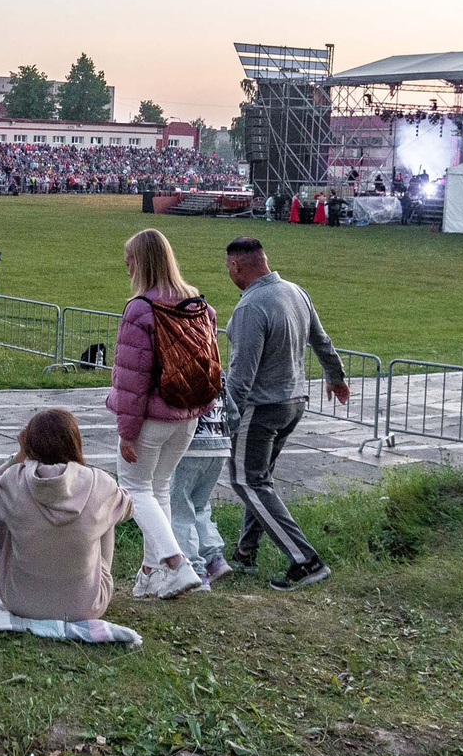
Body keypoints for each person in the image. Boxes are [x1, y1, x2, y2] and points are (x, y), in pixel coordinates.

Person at [219, 236, 347, 590]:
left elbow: (241, 374)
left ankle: (306, 561)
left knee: (247, 481)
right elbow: (321, 341)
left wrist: (227, 421)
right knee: (260, 481)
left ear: (236, 266)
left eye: (227, 267)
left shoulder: (250, 308)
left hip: (261, 409)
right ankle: (245, 554)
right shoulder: (295, 291)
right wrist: (336, 378)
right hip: (294, 403)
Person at [107, 229, 220, 600]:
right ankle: (151, 572)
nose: (127, 271)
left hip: (152, 418)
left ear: (142, 263)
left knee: (134, 489)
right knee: (158, 490)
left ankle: (176, 564)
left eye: (129, 263)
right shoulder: (198, 305)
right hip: (187, 416)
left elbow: (131, 380)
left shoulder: (141, 309)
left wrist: (127, 430)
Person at [0, 406, 128, 622]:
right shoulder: (100, 483)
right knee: (109, 509)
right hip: (86, 607)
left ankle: (5, 570)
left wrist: (19, 456)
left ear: (30, 445)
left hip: (19, 602)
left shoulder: (13, 481)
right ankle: (96, 579)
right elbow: (128, 508)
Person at [171, 393, 234, 586]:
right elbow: (234, 411)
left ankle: (194, 568)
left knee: (179, 508)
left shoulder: (179, 367)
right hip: (220, 442)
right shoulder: (216, 368)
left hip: (190, 445)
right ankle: (214, 558)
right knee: (199, 504)